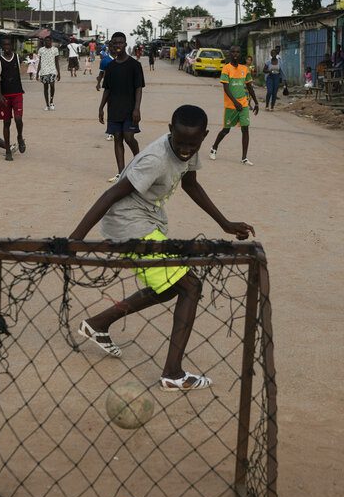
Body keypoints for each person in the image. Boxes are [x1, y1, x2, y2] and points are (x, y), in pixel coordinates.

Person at [69, 104, 255, 391]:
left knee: (169, 286)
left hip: (148, 222)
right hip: (128, 225)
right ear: (171, 131)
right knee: (190, 285)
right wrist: (75, 240)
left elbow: (191, 184)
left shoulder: (190, 148)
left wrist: (225, 223)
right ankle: (173, 373)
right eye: (180, 143)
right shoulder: (155, 159)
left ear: (204, 136)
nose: (185, 150)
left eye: (192, 144)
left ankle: (98, 323)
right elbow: (111, 194)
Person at [100, 31, 145, 182]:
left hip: (130, 109)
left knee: (129, 137)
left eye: (121, 42)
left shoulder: (135, 65)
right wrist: (101, 108)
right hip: (114, 109)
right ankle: (121, 173)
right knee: (117, 138)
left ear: (125, 44)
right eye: (115, 43)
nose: (118, 45)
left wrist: (137, 108)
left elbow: (139, 88)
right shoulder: (110, 66)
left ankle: (139, 162)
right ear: (112, 45)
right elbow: (107, 88)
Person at [208, 46, 259, 166]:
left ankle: (244, 158)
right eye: (233, 52)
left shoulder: (244, 69)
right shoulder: (226, 69)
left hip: (244, 104)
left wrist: (256, 102)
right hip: (231, 106)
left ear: (240, 54)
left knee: (245, 129)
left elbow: (249, 86)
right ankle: (214, 147)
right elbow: (226, 88)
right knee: (226, 130)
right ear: (230, 54)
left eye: (237, 52)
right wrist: (235, 102)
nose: (235, 54)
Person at [0, 36, 27, 153]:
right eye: (4, 45)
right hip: (5, 96)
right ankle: (8, 151)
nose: (6, 47)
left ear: (11, 45)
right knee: (6, 123)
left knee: (18, 119)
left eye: (8, 45)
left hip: (17, 93)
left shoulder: (17, 57)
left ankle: (19, 136)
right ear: (1, 46)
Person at [37, 36, 60, 110]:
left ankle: (51, 101)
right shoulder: (41, 50)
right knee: (45, 87)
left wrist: (58, 72)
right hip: (44, 71)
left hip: (52, 70)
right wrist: (37, 72)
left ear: (51, 41)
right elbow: (39, 62)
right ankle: (47, 104)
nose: (47, 42)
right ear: (44, 42)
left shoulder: (55, 50)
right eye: (46, 41)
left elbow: (57, 62)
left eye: (49, 41)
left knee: (52, 85)